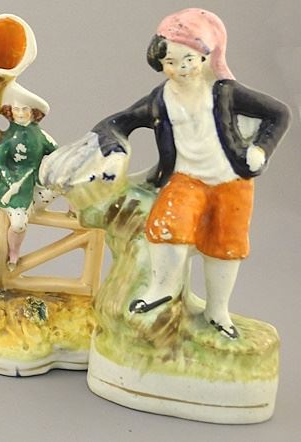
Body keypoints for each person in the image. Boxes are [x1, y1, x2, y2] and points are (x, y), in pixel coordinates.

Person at [91, 8, 290, 339]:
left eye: (188, 59)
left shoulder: (224, 92)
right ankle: (161, 289)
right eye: (171, 62)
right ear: (160, 63)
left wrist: (260, 150)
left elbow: (279, 113)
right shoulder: (161, 99)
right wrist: (113, 151)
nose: (181, 68)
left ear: (204, 57)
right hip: (187, 178)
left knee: (226, 245)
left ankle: (218, 310)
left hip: (231, 180)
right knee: (167, 226)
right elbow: (117, 122)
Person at [0, 82, 57, 268]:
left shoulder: (41, 135)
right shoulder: (8, 138)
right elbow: (1, 164)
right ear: (10, 112)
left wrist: (46, 170)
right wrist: (10, 181)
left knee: (66, 186)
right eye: (16, 110)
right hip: (14, 188)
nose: (20, 114)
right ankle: (13, 253)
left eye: (25, 110)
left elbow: (56, 153)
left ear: (33, 112)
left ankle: (73, 213)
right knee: (18, 225)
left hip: (35, 184)